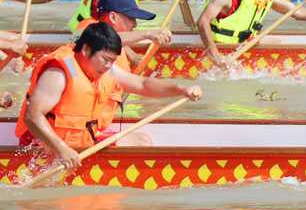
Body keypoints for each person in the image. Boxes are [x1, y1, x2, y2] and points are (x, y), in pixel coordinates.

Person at [16, 22, 203, 170]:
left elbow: (142, 84)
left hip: (82, 142)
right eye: (105, 59)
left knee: (143, 141)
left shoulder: (106, 69)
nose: (108, 66)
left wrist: (181, 89)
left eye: (112, 61)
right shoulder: (59, 73)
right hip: (46, 148)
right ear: (86, 50)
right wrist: (61, 149)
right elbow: (32, 116)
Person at [73, 0, 172, 68]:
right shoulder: (87, 26)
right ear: (113, 17)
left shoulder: (118, 44)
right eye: (131, 18)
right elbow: (104, 40)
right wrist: (148, 33)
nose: (135, 24)